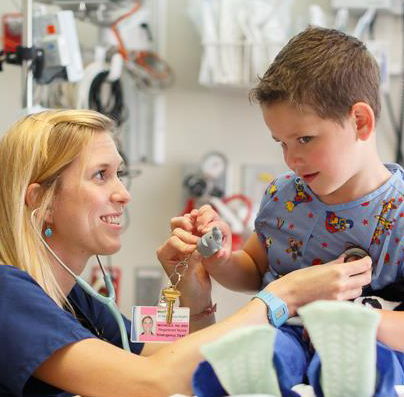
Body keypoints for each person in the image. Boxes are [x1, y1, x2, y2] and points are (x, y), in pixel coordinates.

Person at [0, 108, 372, 397]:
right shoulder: (7, 293)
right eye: (100, 175)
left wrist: (193, 294)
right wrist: (282, 297)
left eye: (119, 174)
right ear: (43, 201)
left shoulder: (76, 300)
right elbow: (150, 382)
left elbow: (175, 363)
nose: (123, 194)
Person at [182, 26, 404, 396]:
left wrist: (353, 321)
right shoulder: (285, 197)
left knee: (364, 360)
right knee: (267, 351)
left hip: (368, 338)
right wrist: (220, 259)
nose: (291, 159)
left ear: (360, 122)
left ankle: (351, 377)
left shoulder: (398, 211)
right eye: (281, 143)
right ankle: (249, 375)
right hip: (288, 331)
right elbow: (253, 271)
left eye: (304, 139)